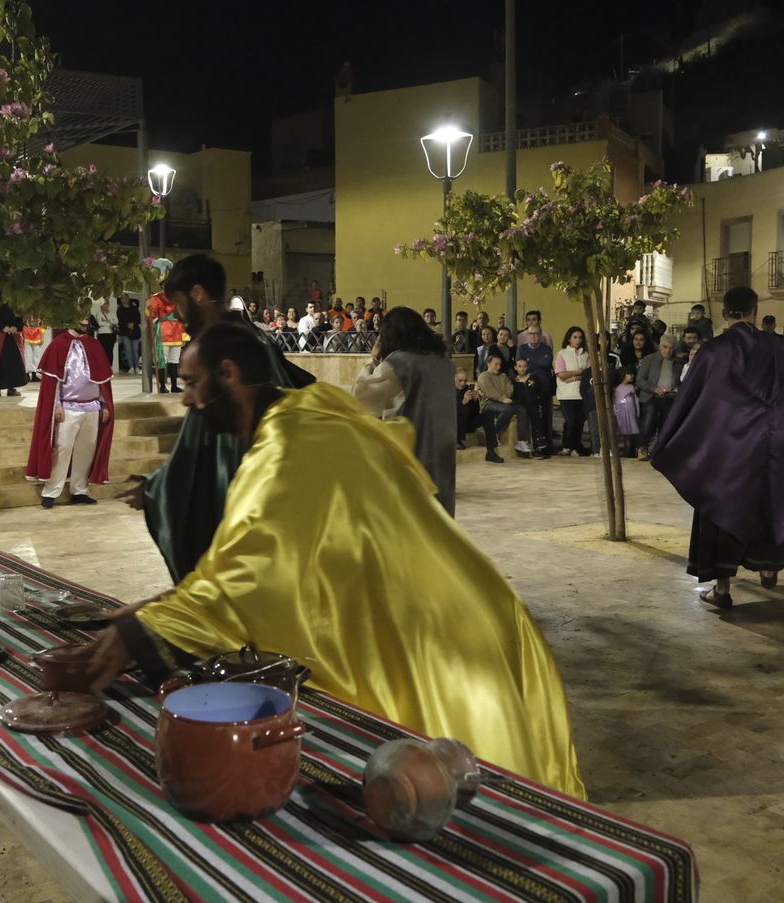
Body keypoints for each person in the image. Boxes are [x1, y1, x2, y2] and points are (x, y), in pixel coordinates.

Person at [85, 322, 585, 798]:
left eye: (192, 383)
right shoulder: (312, 409)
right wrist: (168, 602)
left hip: (445, 640)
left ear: (230, 374)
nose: (187, 398)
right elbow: (273, 559)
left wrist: (143, 630)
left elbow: (247, 570)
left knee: (456, 804)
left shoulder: (288, 444)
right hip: (457, 607)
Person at [120, 254, 315, 583]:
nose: (178, 316)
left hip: (251, 500)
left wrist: (163, 492)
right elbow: (199, 440)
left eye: (179, 302)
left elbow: (247, 434)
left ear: (197, 294)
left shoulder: (240, 347)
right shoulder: (224, 343)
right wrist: (159, 487)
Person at [652, 286, 784, 608]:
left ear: (725, 313)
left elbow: (691, 400)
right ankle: (768, 568)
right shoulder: (778, 347)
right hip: (770, 444)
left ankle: (722, 590)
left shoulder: (713, 351)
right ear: (754, 310)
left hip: (726, 448)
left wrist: (670, 441)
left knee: (721, 509)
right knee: (769, 501)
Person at [352, 307, 458, 514]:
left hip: (412, 447)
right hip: (442, 445)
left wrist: (372, 360)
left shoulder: (398, 362)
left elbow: (363, 394)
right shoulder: (442, 358)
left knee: (411, 514)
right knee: (439, 514)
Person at [26, 323, 114, 508]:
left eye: (86, 322)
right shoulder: (59, 344)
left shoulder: (94, 345)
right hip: (68, 408)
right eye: (81, 322)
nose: (85, 325)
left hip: (92, 407)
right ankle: (51, 492)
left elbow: (102, 379)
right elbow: (54, 380)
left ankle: (80, 490)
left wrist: (104, 403)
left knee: (86, 450)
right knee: (62, 449)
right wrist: (57, 404)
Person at [635, 334, 681, 460]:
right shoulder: (649, 359)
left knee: (667, 424)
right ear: (660, 346)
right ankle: (642, 448)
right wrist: (654, 388)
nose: (668, 350)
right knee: (648, 421)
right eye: (665, 347)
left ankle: (661, 450)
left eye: (671, 348)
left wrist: (678, 388)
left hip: (669, 397)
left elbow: (680, 381)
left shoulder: (677, 362)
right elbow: (639, 380)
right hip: (651, 396)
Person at [515, 327, 555, 456]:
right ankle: (538, 443)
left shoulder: (546, 349)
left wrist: (530, 362)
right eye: (531, 334)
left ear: (540, 335)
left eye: (536, 334)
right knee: (534, 410)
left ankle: (545, 445)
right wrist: (537, 365)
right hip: (527, 388)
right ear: (527, 335)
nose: (533, 336)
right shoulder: (522, 349)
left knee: (545, 416)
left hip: (544, 387)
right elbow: (521, 365)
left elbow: (547, 363)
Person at [554, 327, 591, 456]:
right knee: (571, 421)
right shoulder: (562, 354)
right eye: (575, 337)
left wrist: (574, 377)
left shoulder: (585, 355)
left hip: (581, 393)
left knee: (580, 421)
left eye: (580, 337)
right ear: (569, 338)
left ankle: (575, 446)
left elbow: (587, 374)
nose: (578, 340)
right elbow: (561, 374)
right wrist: (577, 372)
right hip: (566, 394)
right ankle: (567, 446)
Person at [475, 351, 516, 464]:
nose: (498, 367)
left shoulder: (503, 376)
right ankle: (495, 433)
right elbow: (490, 393)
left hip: (500, 402)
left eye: (500, 364)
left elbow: (510, 388)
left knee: (518, 409)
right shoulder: (484, 376)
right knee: (508, 409)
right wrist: (502, 398)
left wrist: (502, 396)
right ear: (488, 364)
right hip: (488, 404)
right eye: (495, 364)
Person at [0, 302, 27, 398]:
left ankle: (11, 388)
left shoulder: (18, 296)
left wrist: (16, 326)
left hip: (13, 332)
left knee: (13, 361)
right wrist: (2, 326)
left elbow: (23, 314)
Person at [612, 369, 640, 457]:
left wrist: (637, 412)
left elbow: (636, 401)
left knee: (630, 434)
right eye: (629, 374)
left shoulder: (632, 387)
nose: (632, 376)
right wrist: (616, 413)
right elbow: (615, 402)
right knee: (621, 432)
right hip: (621, 413)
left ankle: (629, 453)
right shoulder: (617, 389)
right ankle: (622, 453)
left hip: (631, 412)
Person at [455, 370, 483, 450]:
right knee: (464, 409)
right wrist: (463, 402)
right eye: (460, 380)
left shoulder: (468, 389)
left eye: (465, 381)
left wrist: (475, 400)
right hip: (453, 424)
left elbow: (475, 412)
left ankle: (492, 441)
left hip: (467, 422)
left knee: (486, 414)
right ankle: (457, 440)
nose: (463, 383)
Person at [116, 295, 142, 373]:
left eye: (126, 298)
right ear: (121, 300)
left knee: (135, 350)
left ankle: (137, 367)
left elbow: (138, 319)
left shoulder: (134, 308)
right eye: (122, 298)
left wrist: (133, 324)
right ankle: (131, 367)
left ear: (128, 299)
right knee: (128, 350)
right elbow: (119, 321)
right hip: (125, 332)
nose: (124, 299)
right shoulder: (119, 309)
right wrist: (127, 325)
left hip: (135, 331)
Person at [92, 296, 119, 368]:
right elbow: (100, 323)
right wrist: (110, 321)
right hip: (102, 334)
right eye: (104, 304)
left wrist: (106, 321)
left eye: (107, 303)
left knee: (110, 351)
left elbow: (116, 321)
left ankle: (110, 366)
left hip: (111, 334)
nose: (105, 305)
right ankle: (103, 366)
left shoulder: (112, 313)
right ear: (101, 305)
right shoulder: (99, 313)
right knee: (103, 351)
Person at [22, 315, 47, 380]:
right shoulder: (26, 311)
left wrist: (42, 337)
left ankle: (34, 373)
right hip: (26, 334)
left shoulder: (40, 311)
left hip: (37, 335)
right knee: (28, 355)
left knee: (36, 356)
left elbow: (43, 325)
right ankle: (26, 374)